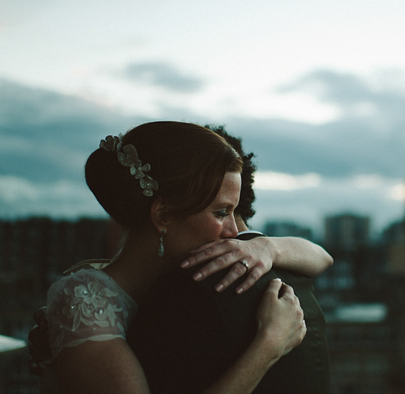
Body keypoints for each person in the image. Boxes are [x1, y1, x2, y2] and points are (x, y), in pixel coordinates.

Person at [36, 121, 331, 394]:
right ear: (163, 214)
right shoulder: (86, 301)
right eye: (220, 213)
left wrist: (267, 248)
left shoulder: (184, 283)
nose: (234, 231)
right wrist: (269, 345)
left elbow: (322, 258)